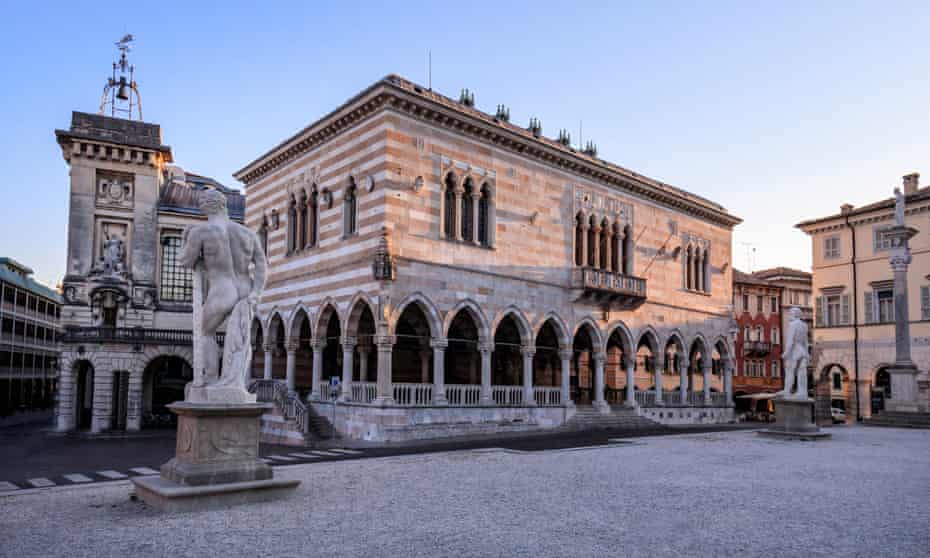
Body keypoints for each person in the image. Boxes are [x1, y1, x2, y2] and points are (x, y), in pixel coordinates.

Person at [180, 189, 267, 390]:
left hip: (222, 290)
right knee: (242, 338)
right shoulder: (247, 233)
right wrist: (256, 293)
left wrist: (186, 239)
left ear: (204, 207)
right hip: (246, 288)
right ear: (224, 205)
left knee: (206, 332)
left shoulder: (201, 232)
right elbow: (262, 265)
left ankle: (210, 378)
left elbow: (185, 261)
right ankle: (235, 383)